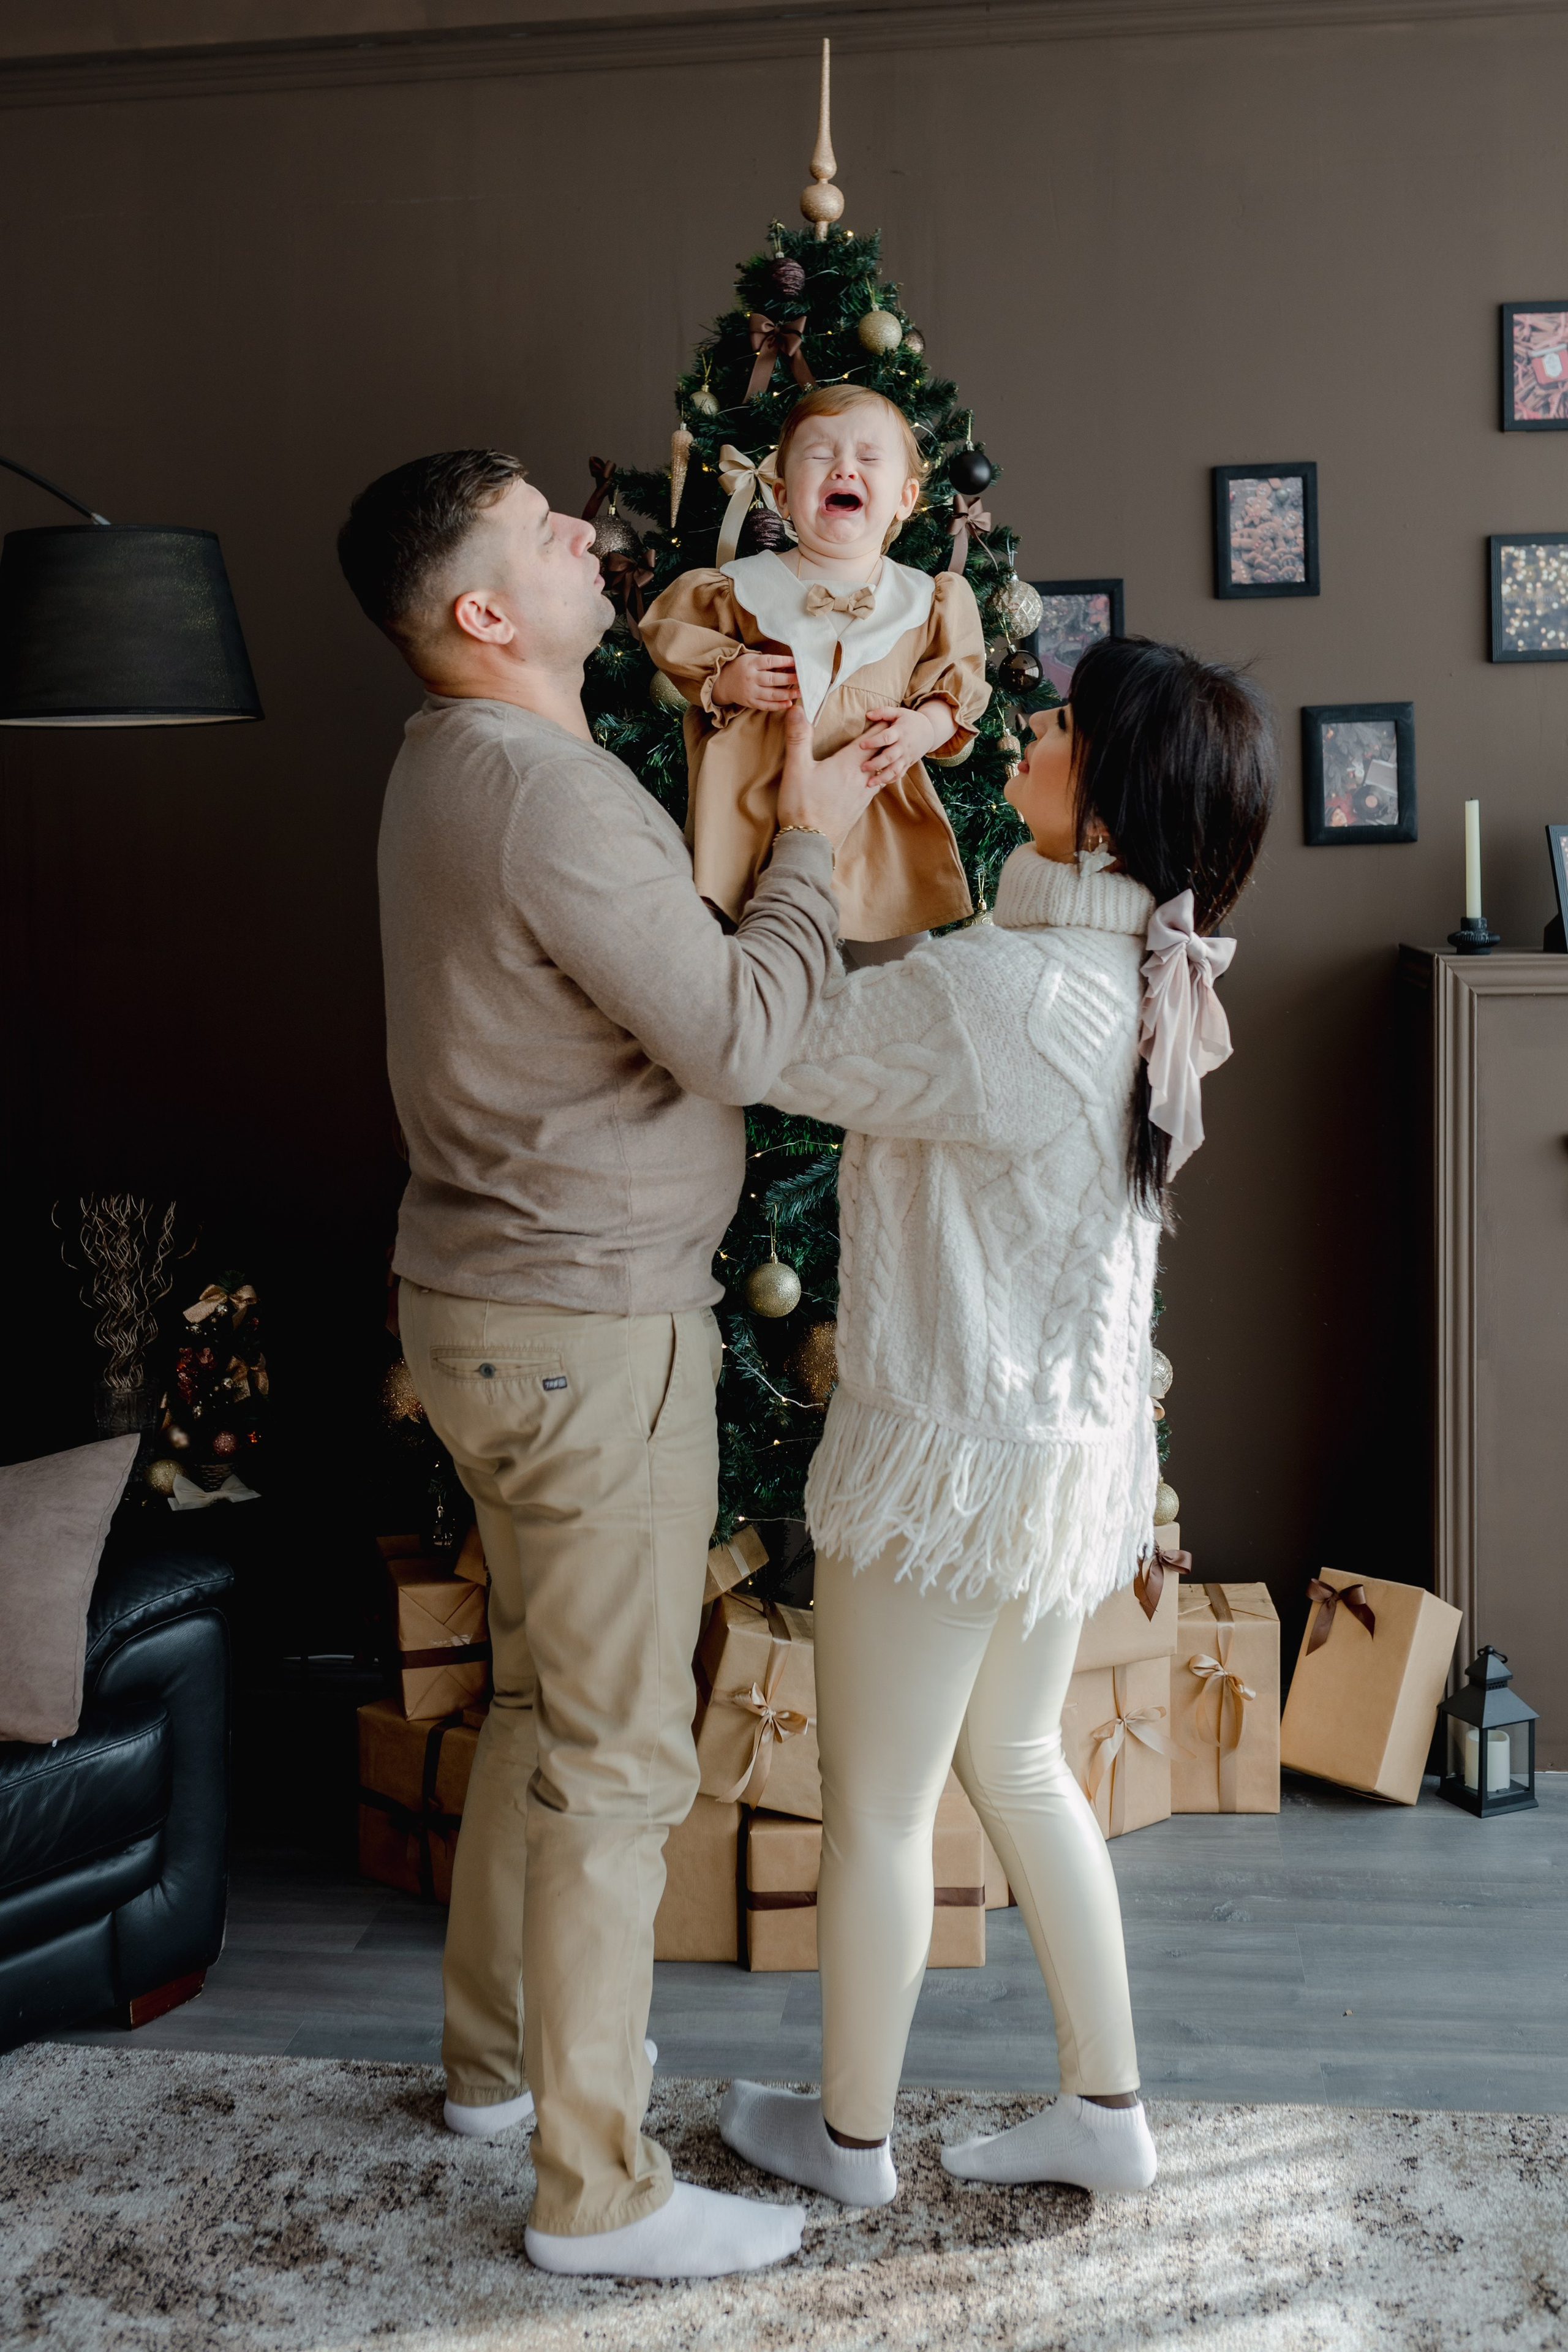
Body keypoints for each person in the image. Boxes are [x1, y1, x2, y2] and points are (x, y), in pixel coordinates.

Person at [337, 448, 891, 2279]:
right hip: (580, 1334)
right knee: (618, 1762)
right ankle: (596, 2189)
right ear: (485, 612)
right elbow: (738, 1027)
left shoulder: (448, 769)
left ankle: (496, 2070)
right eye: (543, 528)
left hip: (483, 1319)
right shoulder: (544, 797)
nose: (587, 532)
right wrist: (808, 831)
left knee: (527, 1704)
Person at [717, 636, 1276, 2207]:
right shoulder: (1121, 984)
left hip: (951, 1457)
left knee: (882, 1805)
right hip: (1071, 1458)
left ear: (1100, 811)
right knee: (1023, 1763)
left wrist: (803, 838)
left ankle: (843, 2142)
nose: (1025, 727)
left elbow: (771, 1035)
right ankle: (1104, 2107)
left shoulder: (995, 993)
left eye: (1059, 722)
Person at [639, 385, 989, 947]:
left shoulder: (928, 599)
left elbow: (959, 691)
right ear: (780, 494)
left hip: (871, 808)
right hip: (755, 804)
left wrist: (924, 728)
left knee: (887, 968)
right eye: (821, 456)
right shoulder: (742, 586)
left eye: (868, 458)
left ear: (904, 498)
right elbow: (671, 639)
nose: (844, 469)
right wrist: (727, 677)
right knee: (749, 949)